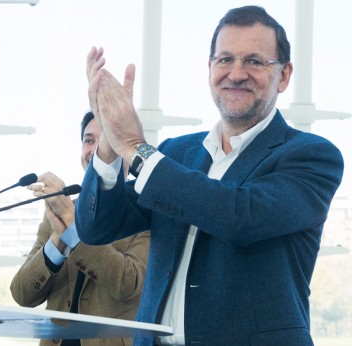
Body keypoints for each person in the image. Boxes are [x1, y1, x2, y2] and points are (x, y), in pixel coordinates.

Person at [76, 5, 344, 346]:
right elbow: (97, 227)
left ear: (285, 75)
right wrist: (110, 145)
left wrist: (134, 147)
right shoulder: (176, 154)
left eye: (255, 61)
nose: (236, 73)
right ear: (210, 68)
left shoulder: (310, 156)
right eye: (225, 59)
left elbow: (239, 216)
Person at [10, 112, 150, 346]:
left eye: (106, 140)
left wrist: (73, 228)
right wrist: (58, 238)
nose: (96, 150)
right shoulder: (60, 211)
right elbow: (22, 294)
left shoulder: (145, 212)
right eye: (88, 140)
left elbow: (129, 283)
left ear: (126, 150)